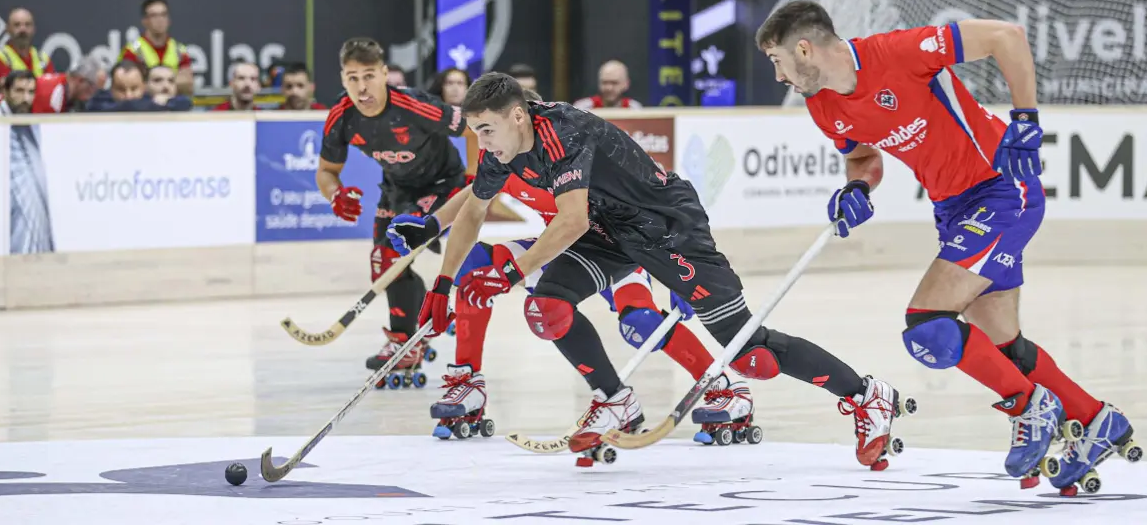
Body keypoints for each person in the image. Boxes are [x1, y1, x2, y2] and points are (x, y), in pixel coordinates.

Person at [416, 73, 906, 467]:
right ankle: (614, 399)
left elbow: (570, 220)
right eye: (476, 132)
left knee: (750, 355)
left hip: (668, 227)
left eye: (486, 130)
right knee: (547, 307)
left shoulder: (564, 132)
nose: (481, 142)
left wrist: (511, 272)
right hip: (610, 231)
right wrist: (442, 284)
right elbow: (472, 213)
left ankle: (867, 396)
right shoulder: (502, 151)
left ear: (517, 115)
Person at [756, 0, 1140, 491]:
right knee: (1004, 347)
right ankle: (1096, 420)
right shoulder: (823, 107)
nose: (778, 76)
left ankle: (1029, 406)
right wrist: (858, 187)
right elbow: (864, 157)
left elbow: (1007, 36)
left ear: (805, 49)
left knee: (928, 325)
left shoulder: (897, 51)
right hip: (954, 211)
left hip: (1001, 189)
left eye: (778, 61)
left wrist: (1025, 118)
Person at [386, 91, 754, 444]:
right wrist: (433, 232)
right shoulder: (505, 159)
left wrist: (682, 273)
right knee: (476, 268)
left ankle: (722, 384)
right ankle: (468, 381)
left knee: (641, 323)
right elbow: (470, 201)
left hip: (615, 245)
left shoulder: (571, 151)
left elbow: (660, 202)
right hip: (561, 249)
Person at [318, 37, 467, 377]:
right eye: (353, 78)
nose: (362, 87)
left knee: (393, 257)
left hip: (443, 184)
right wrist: (335, 195)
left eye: (369, 76)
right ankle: (414, 333)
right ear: (343, 79)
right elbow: (326, 171)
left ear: (385, 74)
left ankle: (407, 338)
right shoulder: (342, 116)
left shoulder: (414, 105)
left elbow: (471, 128)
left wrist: (474, 180)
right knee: (382, 263)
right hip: (396, 189)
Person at [0, 8, 54, 107]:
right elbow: (12, 87)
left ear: (34, 29)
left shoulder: (43, 58)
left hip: (34, 113)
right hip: (1, 113)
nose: (23, 29)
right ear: (7, 29)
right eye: (17, 25)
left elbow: (51, 90)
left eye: (27, 25)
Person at [121, 0, 194, 95]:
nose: (160, 20)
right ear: (144, 21)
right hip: (144, 103)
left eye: (163, 15)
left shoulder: (179, 50)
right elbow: (127, 84)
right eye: (154, 15)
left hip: (174, 102)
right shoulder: (133, 50)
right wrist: (171, 81)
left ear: (169, 20)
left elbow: (188, 84)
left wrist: (154, 82)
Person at [31, 54, 107, 113]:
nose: (93, 94)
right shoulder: (53, 94)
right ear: (80, 80)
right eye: (93, 87)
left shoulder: (67, 94)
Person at [574, 60, 642, 110]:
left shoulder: (634, 109)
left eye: (614, 83)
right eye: (604, 82)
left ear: (626, 84)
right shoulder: (583, 108)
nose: (609, 88)